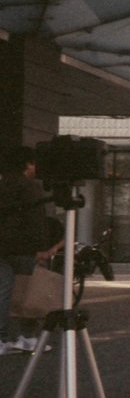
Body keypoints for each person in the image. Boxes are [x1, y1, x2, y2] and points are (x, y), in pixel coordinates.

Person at [0, 146, 60, 354]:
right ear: (27, 164)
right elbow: (36, 222)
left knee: (3, 293)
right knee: (31, 291)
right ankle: (28, 338)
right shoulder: (29, 187)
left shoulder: (3, 183)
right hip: (24, 247)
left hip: (2, 248)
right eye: (34, 163)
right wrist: (42, 249)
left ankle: (2, 339)